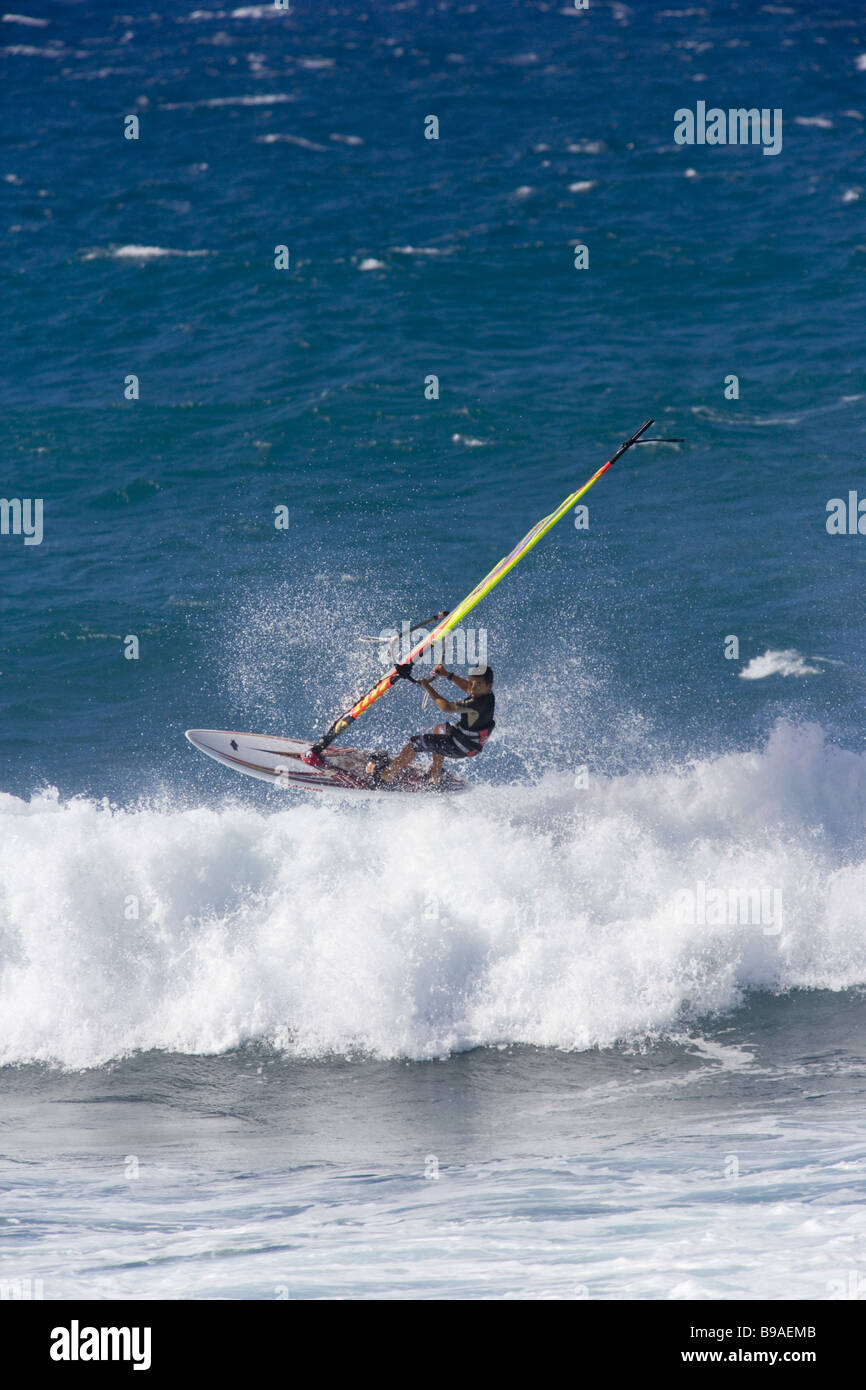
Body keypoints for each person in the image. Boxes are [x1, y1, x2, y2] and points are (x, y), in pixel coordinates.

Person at [367, 664, 495, 786]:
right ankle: (435, 777)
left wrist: (427, 686)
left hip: (459, 746)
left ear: (488, 686)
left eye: (478, 684)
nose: (473, 687)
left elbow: (446, 707)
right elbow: (467, 686)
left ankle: (386, 775)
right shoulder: (488, 696)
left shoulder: (475, 704)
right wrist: (447, 674)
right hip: (470, 745)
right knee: (440, 729)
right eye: (471, 682)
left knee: (415, 743)